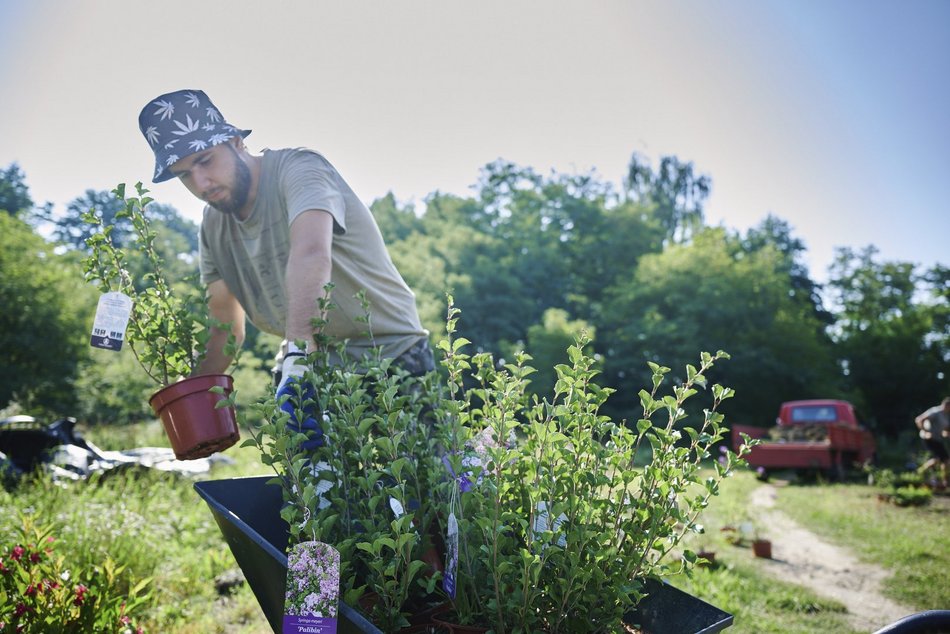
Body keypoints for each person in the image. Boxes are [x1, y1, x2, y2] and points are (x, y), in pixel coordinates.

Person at [137, 89, 433, 448]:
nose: (201, 184)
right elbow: (225, 330)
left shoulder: (301, 169)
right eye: (184, 175)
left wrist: (297, 357)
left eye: (205, 161)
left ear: (235, 142)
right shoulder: (212, 227)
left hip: (389, 357)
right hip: (309, 371)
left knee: (423, 490)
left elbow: (311, 254)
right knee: (316, 499)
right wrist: (192, 397)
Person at [914, 397, 950, 487]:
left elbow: (944, 429)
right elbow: (919, 420)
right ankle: (920, 472)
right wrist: (926, 432)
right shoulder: (935, 411)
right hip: (929, 439)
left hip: (937, 439)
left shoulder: (946, 415)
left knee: (945, 460)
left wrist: (946, 433)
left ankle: (945, 481)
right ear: (946, 405)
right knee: (939, 459)